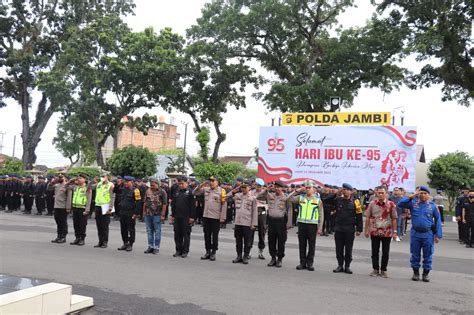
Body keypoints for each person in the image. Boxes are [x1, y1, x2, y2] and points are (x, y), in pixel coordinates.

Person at [398, 186, 442, 282]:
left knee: (428, 254)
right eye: (421, 193)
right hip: (415, 233)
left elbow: (438, 220)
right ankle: (416, 273)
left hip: (428, 234)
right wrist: (412, 196)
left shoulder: (433, 206)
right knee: (415, 254)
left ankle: (425, 274)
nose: (422, 195)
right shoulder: (413, 203)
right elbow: (400, 204)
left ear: (428, 195)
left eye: (425, 193)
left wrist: (438, 235)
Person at [256, 181, 294, 268]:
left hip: (281, 222)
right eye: (275, 187)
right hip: (271, 221)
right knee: (271, 240)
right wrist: (267, 189)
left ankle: (279, 259)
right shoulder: (270, 195)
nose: (277, 189)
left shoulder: (285, 197)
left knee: (281, 241)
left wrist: (288, 223)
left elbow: (289, 210)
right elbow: (258, 196)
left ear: (282, 188)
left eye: (279, 187)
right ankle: (273, 258)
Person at [290, 180, 324, 271]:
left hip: (312, 225)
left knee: (311, 245)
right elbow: (289, 199)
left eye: (310, 188)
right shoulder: (301, 198)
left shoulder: (317, 200)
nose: (308, 189)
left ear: (314, 189)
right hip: (302, 225)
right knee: (302, 244)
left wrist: (320, 228)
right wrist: (297, 191)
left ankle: (310, 263)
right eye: (306, 187)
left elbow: (321, 215)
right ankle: (302, 263)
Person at [364, 186, 398, 278]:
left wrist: (395, 232)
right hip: (374, 231)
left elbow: (394, 219)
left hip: (387, 232)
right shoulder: (372, 204)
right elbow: (367, 217)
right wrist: (366, 230)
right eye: (379, 193)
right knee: (374, 251)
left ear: (386, 193)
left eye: (382, 193)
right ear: (376, 193)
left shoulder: (391, 204)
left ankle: (383, 270)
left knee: (385, 252)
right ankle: (375, 269)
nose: (381, 194)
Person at [331, 183, 363, 274]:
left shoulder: (356, 202)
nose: (346, 191)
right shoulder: (338, 200)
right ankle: (340, 265)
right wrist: (336, 192)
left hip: (349, 229)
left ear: (351, 191)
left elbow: (359, 215)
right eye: (344, 189)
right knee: (339, 248)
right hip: (339, 228)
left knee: (348, 249)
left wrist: (359, 229)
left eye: (347, 190)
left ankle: (347, 266)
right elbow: (327, 200)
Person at [193, 176, 227, 261]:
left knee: (214, 236)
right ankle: (207, 251)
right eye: (210, 181)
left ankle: (213, 252)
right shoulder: (206, 189)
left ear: (217, 182)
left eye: (213, 181)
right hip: (206, 216)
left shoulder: (221, 191)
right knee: (206, 235)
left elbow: (224, 205)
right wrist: (202, 185)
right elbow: (195, 193)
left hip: (215, 217)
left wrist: (222, 217)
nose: (211, 182)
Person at [228, 181, 258, 264]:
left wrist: (253, 224)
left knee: (247, 241)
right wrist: (234, 190)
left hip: (247, 223)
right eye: (242, 187)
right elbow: (227, 197)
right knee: (238, 241)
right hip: (238, 222)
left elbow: (254, 212)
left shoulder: (252, 198)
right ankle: (239, 256)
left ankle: (245, 256)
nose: (244, 189)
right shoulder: (237, 196)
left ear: (249, 188)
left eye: (245, 187)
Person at [170, 176, 195, 258]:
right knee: (177, 234)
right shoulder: (176, 192)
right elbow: (173, 205)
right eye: (179, 183)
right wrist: (172, 216)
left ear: (186, 183)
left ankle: (185, 251)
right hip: (177, 216)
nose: (180, 185)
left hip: (186, 217)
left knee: (186, 235)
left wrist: (192, 217)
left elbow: (193, 206)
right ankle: (178, 250)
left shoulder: (190, 192)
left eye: (182, 183)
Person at [143, 178, 167, 254]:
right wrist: (143, 212)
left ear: (157, 184)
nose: (152, 186)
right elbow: (145, 202)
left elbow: (164, 204)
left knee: (157, 231)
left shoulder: (162, 192)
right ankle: (150, 246)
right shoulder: (148, 191)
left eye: (153, 185)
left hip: (157, 214)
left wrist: (163, 215)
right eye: (151, 185)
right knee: (149, 231)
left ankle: (156, 247)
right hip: (148, 214)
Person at [117, 176, 141, 252]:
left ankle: (130, 244)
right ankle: (125, 243)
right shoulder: (123, 189)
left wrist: (136, 213)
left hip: (130, 212)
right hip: (122, 212)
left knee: (131, 229)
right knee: (123, 229)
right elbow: (115, 190)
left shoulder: (136, 190)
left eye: (127, 182)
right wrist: (119, 184)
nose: (126, 183)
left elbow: (138, 202)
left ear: (132, 182)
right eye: (125, 181)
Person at [68, 174, 91, 246]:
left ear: (85, 179)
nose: (79, 179)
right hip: (75, 207)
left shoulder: (87, 188)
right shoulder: (75, 187)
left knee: (82, 225)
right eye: (78, 178)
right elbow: (67, 186)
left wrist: (87, 209)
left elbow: (89, 199)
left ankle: (82, 239)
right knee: (76, 224)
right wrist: (72, 180)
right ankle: (77, 238)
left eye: (80, 178)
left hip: (82, 208)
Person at [93, 174, 115, 249]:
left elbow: (112, 196)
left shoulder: (111, 185)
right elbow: (90, 188)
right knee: (99, 225)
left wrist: (111, 207)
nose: (102, 178)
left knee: (104, 225)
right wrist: (92, 182)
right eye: (101, 176)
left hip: (106, 206)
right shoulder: (98, 184)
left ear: (107, 177)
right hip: (98, 205)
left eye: (104, 176)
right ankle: (100, 241)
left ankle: (105, 242)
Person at [250, 178, 268, 259]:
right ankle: (248, 251)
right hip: (253, 213)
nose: (259, 188)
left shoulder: (265, 194)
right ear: (255, 185)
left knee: (262, 233)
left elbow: (268, 204)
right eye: (257, 186)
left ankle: (260, 252)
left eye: (260, 186)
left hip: (262, 213)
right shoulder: (251, 192)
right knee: (250, 233)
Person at [51, 174, 70, 244]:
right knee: (58, 222)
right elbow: (49, 188)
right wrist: (53, 182)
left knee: (63, 222)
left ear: (65, 178)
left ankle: (63, 237)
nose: (59, 178)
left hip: (63, 207)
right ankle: (58, 236)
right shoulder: (57, 185)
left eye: (61, 177)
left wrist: (68, 207)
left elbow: (69, 197)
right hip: (56, 206)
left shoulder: (67, 186)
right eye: (58, 177)